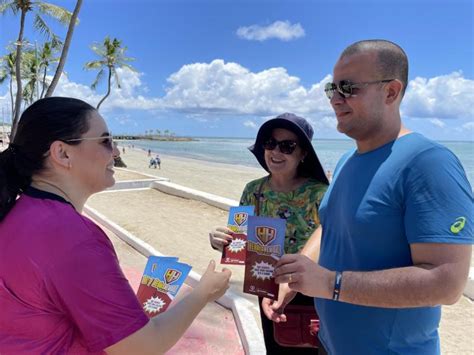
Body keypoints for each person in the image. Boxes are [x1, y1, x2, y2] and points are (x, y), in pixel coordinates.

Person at [271, 40, 473, 354]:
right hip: (330, 343)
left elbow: (446, 283)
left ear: (391, 92)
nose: (335, 99)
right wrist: (296, 277)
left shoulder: (429, 163)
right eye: (332, 88)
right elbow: (332, 227)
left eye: (348, 88)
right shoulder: (345, 163)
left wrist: (328, 284)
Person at [0, 97, 231, 354]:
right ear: (63, 153)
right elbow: (143, 347)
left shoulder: (20, 211)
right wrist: (204, 293)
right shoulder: (72, 237)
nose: (117, 152)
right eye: (106, 141)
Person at [209, 113, 329, 354]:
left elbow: (332, 238)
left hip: (312, 292)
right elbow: (241, 242)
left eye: (287, 146)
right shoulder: (253, 190)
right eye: (270, 143)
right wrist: (220, 240)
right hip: (268, 288)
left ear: (303, 153)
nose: (276, 152)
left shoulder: (321, 193)